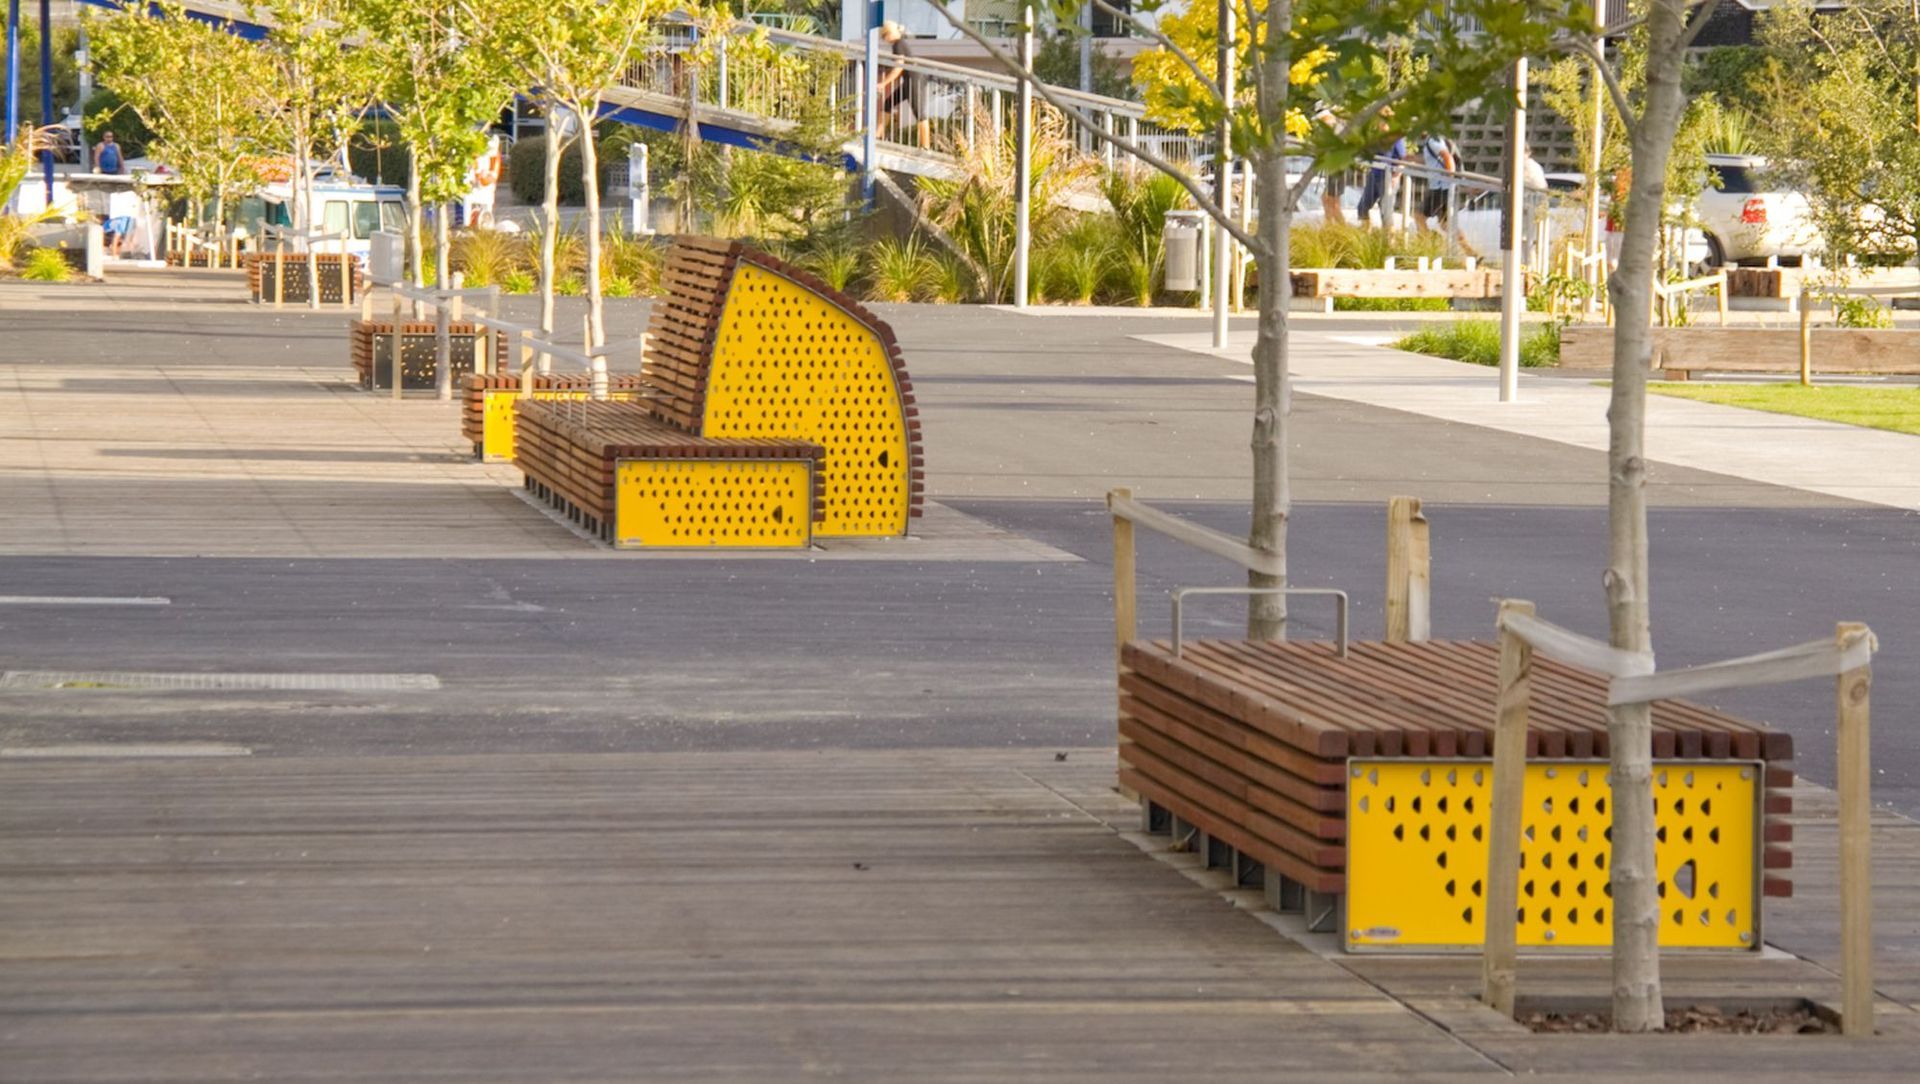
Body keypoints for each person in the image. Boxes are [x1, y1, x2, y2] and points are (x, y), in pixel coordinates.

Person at [875, 22, 927, 148]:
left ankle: (926, 146)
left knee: (918, 112)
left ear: (890, 33)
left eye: (885, 36)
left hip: (914, 79)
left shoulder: (899, 44)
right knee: (888, 103)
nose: (885, 39)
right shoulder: (898, 44)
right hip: (908, 80)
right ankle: (877, 136)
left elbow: (898, 68)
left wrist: (883, 83)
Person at [1357, 134, 1407, 230]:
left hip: (1387, 176)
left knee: (1386, 212)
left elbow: (1403, 159)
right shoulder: (1376, 136)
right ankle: (1365, 233)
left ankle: (1389, 241)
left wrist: (1396, 176)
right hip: (1374, 174)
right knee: (1362, 207)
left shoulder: (1396, 138)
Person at [1418, 132, 1457, 231]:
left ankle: (1427, 244)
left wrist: (1450, 177)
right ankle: (1468, 247)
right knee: (1445, 225)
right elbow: (1434, 161)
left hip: (1439, 187)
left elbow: (1447, 156)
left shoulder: (1433, 140)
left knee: (1419, 216)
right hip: (1444, 186)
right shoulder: (1431, 141)